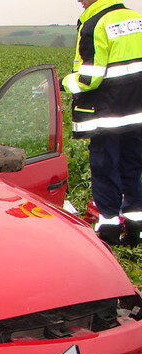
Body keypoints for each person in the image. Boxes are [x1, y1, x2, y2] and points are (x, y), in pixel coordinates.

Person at [61, 0, 142, 247]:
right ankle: (136, 229)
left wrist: (66, 83)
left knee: (105, 169)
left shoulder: (94, 23)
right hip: (137, 112)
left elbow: (90, 78)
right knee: (133, 168)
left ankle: (108, 229)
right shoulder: (134, 17)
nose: (78, 0)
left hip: (107, 115)